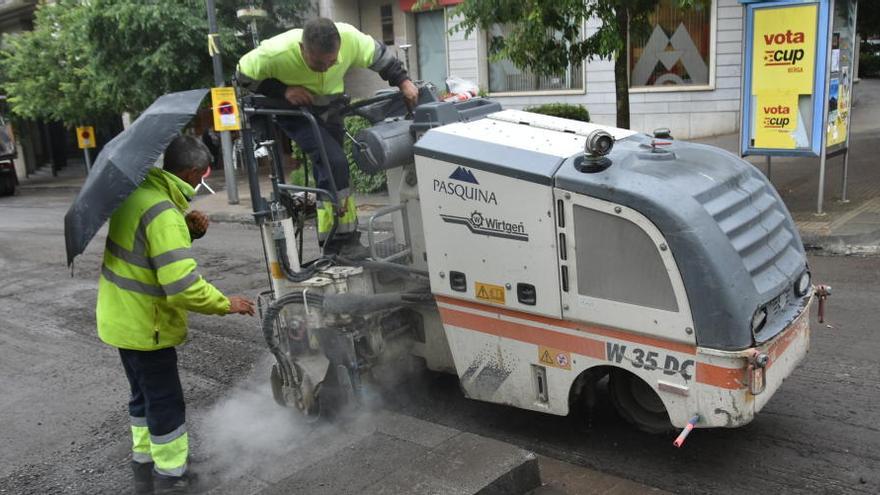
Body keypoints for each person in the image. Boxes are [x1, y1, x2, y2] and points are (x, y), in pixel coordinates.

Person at [96, 135, 255, 494]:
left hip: (121, 320)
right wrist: (226, 303)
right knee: (165, 401)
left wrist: (188, 231)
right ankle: (171, 476)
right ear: (192, 172)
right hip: (146, 326)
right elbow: (181, 285)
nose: (201, 183)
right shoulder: (163, 212)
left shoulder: (135, 196)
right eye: (201, 176)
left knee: (142, 397)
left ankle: (145, 465)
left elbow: (145, 252)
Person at [237, 17, 418, 253]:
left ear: (340, 46)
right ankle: (340, 243)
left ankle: (336, 241)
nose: (325, 68)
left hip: (330, 108)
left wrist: (404, 82)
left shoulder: (350, 38)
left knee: (333, 173)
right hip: (296, 111)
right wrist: (284, 90)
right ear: (302, 49)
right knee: (335, 164)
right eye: (318, 63)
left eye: (332, 62)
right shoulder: (275, 53)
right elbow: (242, 75)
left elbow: (381, 57)